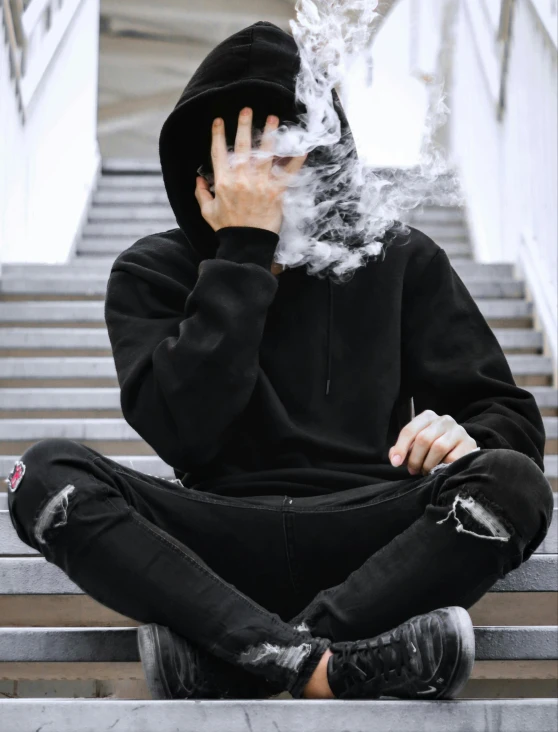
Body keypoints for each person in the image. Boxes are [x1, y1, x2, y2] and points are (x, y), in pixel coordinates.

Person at [7, 21, 553, 703]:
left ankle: (252, 654)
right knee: (40, 475)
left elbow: (508, 421)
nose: (264, 182)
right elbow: (186, 431)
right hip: (218, 538)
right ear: (201, 176)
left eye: (283, 159)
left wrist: (469, 436)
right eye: (238, 162)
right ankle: (321, 666)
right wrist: (241, 248)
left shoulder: (399, 259)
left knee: (512, 483)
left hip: (374, 530)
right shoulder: (155, 272)